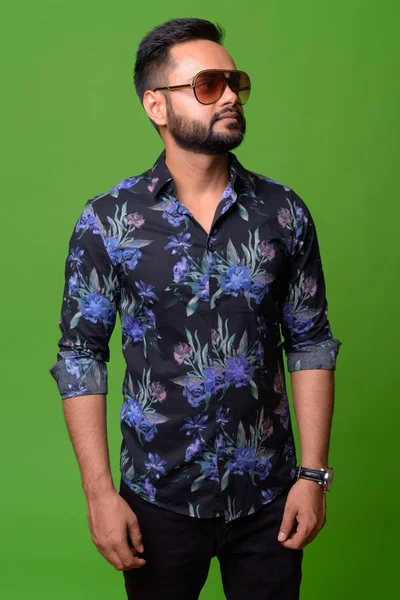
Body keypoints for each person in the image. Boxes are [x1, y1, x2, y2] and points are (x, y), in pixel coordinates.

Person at [49, 17, 342, 600]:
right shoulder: (109, 221)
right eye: (208, 85)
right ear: (157, 106)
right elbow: (81, 356)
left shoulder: (284, 213)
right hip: (158, 497)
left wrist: (313, 477)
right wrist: (99, 494)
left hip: (269, 498)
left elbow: (310, 342)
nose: (230, 94)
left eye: (234, 81)